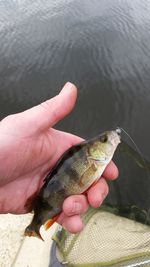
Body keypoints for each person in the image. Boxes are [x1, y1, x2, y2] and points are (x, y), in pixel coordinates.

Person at [0, 82, 118, 234]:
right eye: (104, 140)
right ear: (94, 151)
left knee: (79, 203)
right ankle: (35, 226)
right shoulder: (90, 160)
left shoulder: (91, 159)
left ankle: (35, 225)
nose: (110, 139)